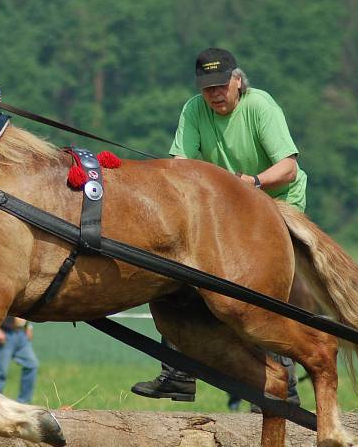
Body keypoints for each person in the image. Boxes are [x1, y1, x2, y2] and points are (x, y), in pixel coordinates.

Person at [131, 47, 307, 409]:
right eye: (207, 87)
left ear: (238, 81)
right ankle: (178, 374)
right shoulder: (194, 110)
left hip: (275, 202)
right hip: (227, 208)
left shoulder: (261, 107)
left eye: (221, 85)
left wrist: (252, 183)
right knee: (178, 269)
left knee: (257, 291)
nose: (214, 94)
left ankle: (282, 390)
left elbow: (287, 168)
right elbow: (179, 165)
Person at [0, 316, 38, 404]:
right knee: (1, 371)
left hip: (21, 334)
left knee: (32, 364)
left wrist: (29, 326)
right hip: (5, 334)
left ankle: (24, 402)